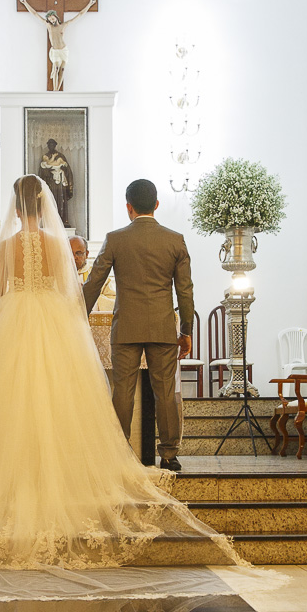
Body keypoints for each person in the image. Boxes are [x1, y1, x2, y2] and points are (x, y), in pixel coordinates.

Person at [0, 174, 242, 574]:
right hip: (92, 323)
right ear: (43, 207)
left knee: (17, 395)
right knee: (93, 394)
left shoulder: (7, 246)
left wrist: (46, 307)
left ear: (17, 207)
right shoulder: (68, 244)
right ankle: (157, 454)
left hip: (19, 322)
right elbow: (74, 290)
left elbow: (0, 292)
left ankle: (21, 463)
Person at [83, 179, 192, 472]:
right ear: (156, 205)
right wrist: (187, 330)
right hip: (162, 327)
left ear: (128, 207)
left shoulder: (116, 239)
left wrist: (76, 314)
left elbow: (94, 282)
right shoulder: (175, 240)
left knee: (122, 390)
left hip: (127, 327)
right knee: (166, 392)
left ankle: (118, 454)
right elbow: (185, 291)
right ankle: (169, 455)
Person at [19, 0, 96, 90]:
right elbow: (35, 14)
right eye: (50, 19)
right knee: (55, 68)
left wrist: (90, 4)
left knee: (62, 69)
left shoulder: (63, 25)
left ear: (56, 17)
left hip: (63, 50)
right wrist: (25, 3)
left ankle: (58, 90)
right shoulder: (49, 26)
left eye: (52, 18)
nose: (51, 20)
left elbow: (79, 15)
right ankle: (55, 91)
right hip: (55, 51)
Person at [38, 138, 74, 225]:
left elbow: (67, 169)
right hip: (50, 183)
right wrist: (48, 171)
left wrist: (62, 169)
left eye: (52, 144)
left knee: (61, 200)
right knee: (50, 200)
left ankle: (63, 220)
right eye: (49, 145)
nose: (51, 146)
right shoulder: (45, 157)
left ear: (55, 145)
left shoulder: (61, 156)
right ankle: (51, 221)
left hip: (60, 183)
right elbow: (42, 171)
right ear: (48, 146)